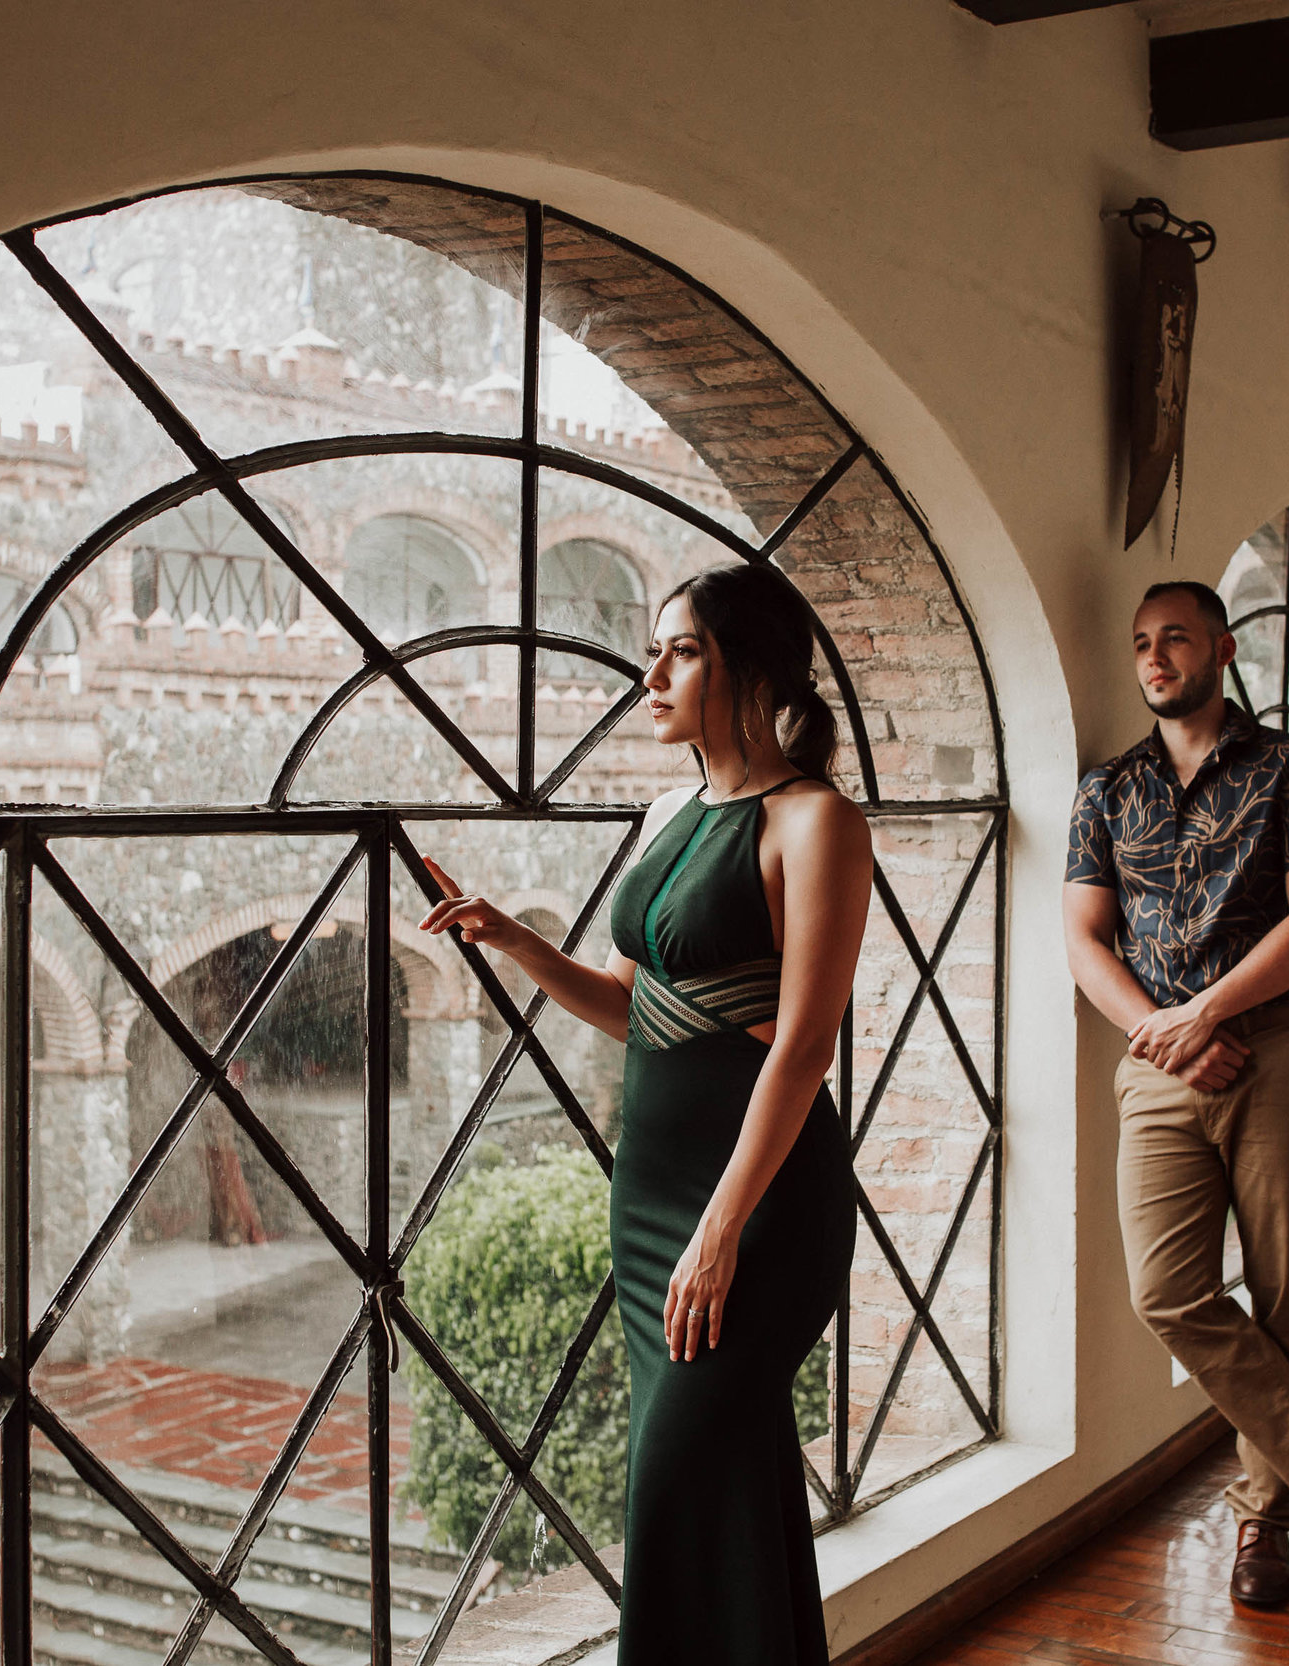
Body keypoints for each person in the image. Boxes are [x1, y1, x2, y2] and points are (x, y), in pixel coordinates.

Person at [418, 561, 864, 1663]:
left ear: (750, 667)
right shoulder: (670, 809)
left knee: (671, 1488)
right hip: (651, 1198)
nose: (650, 674)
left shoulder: (816, 821)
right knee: (734, 1493)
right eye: (653, 650)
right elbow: (628, 1004)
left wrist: (720, 1230)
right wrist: (517, 943)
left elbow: (805, 1045)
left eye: (680, 650)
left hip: (755, 1210)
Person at [1062, 580, 1289, 1610]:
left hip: (1276, 1054)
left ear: (1221, 647)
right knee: (1167, 1292)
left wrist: (1205, 1013)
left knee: (1283, 1294)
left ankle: (1261, 1527)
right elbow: (1083, 937)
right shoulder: (1107, 788)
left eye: (1174, 637)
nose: (1154, 656)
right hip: (1158, 1066)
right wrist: (1164, 1034)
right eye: (1140, 642)